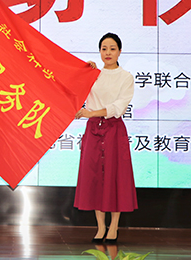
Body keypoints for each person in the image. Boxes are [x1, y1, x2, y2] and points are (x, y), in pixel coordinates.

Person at [74, 32, 137, 244]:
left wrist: (91, 113)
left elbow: (118, 107)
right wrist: (84, 72)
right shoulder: (95, 74)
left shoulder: (126, 77)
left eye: (112, 48)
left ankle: (114, 226)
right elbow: (76, 91)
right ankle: (100, 227)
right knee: (95, 178)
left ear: (119, 51)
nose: (107, 53)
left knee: (115, 177)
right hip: (93, 130)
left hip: (113, 130)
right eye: (104, 49)